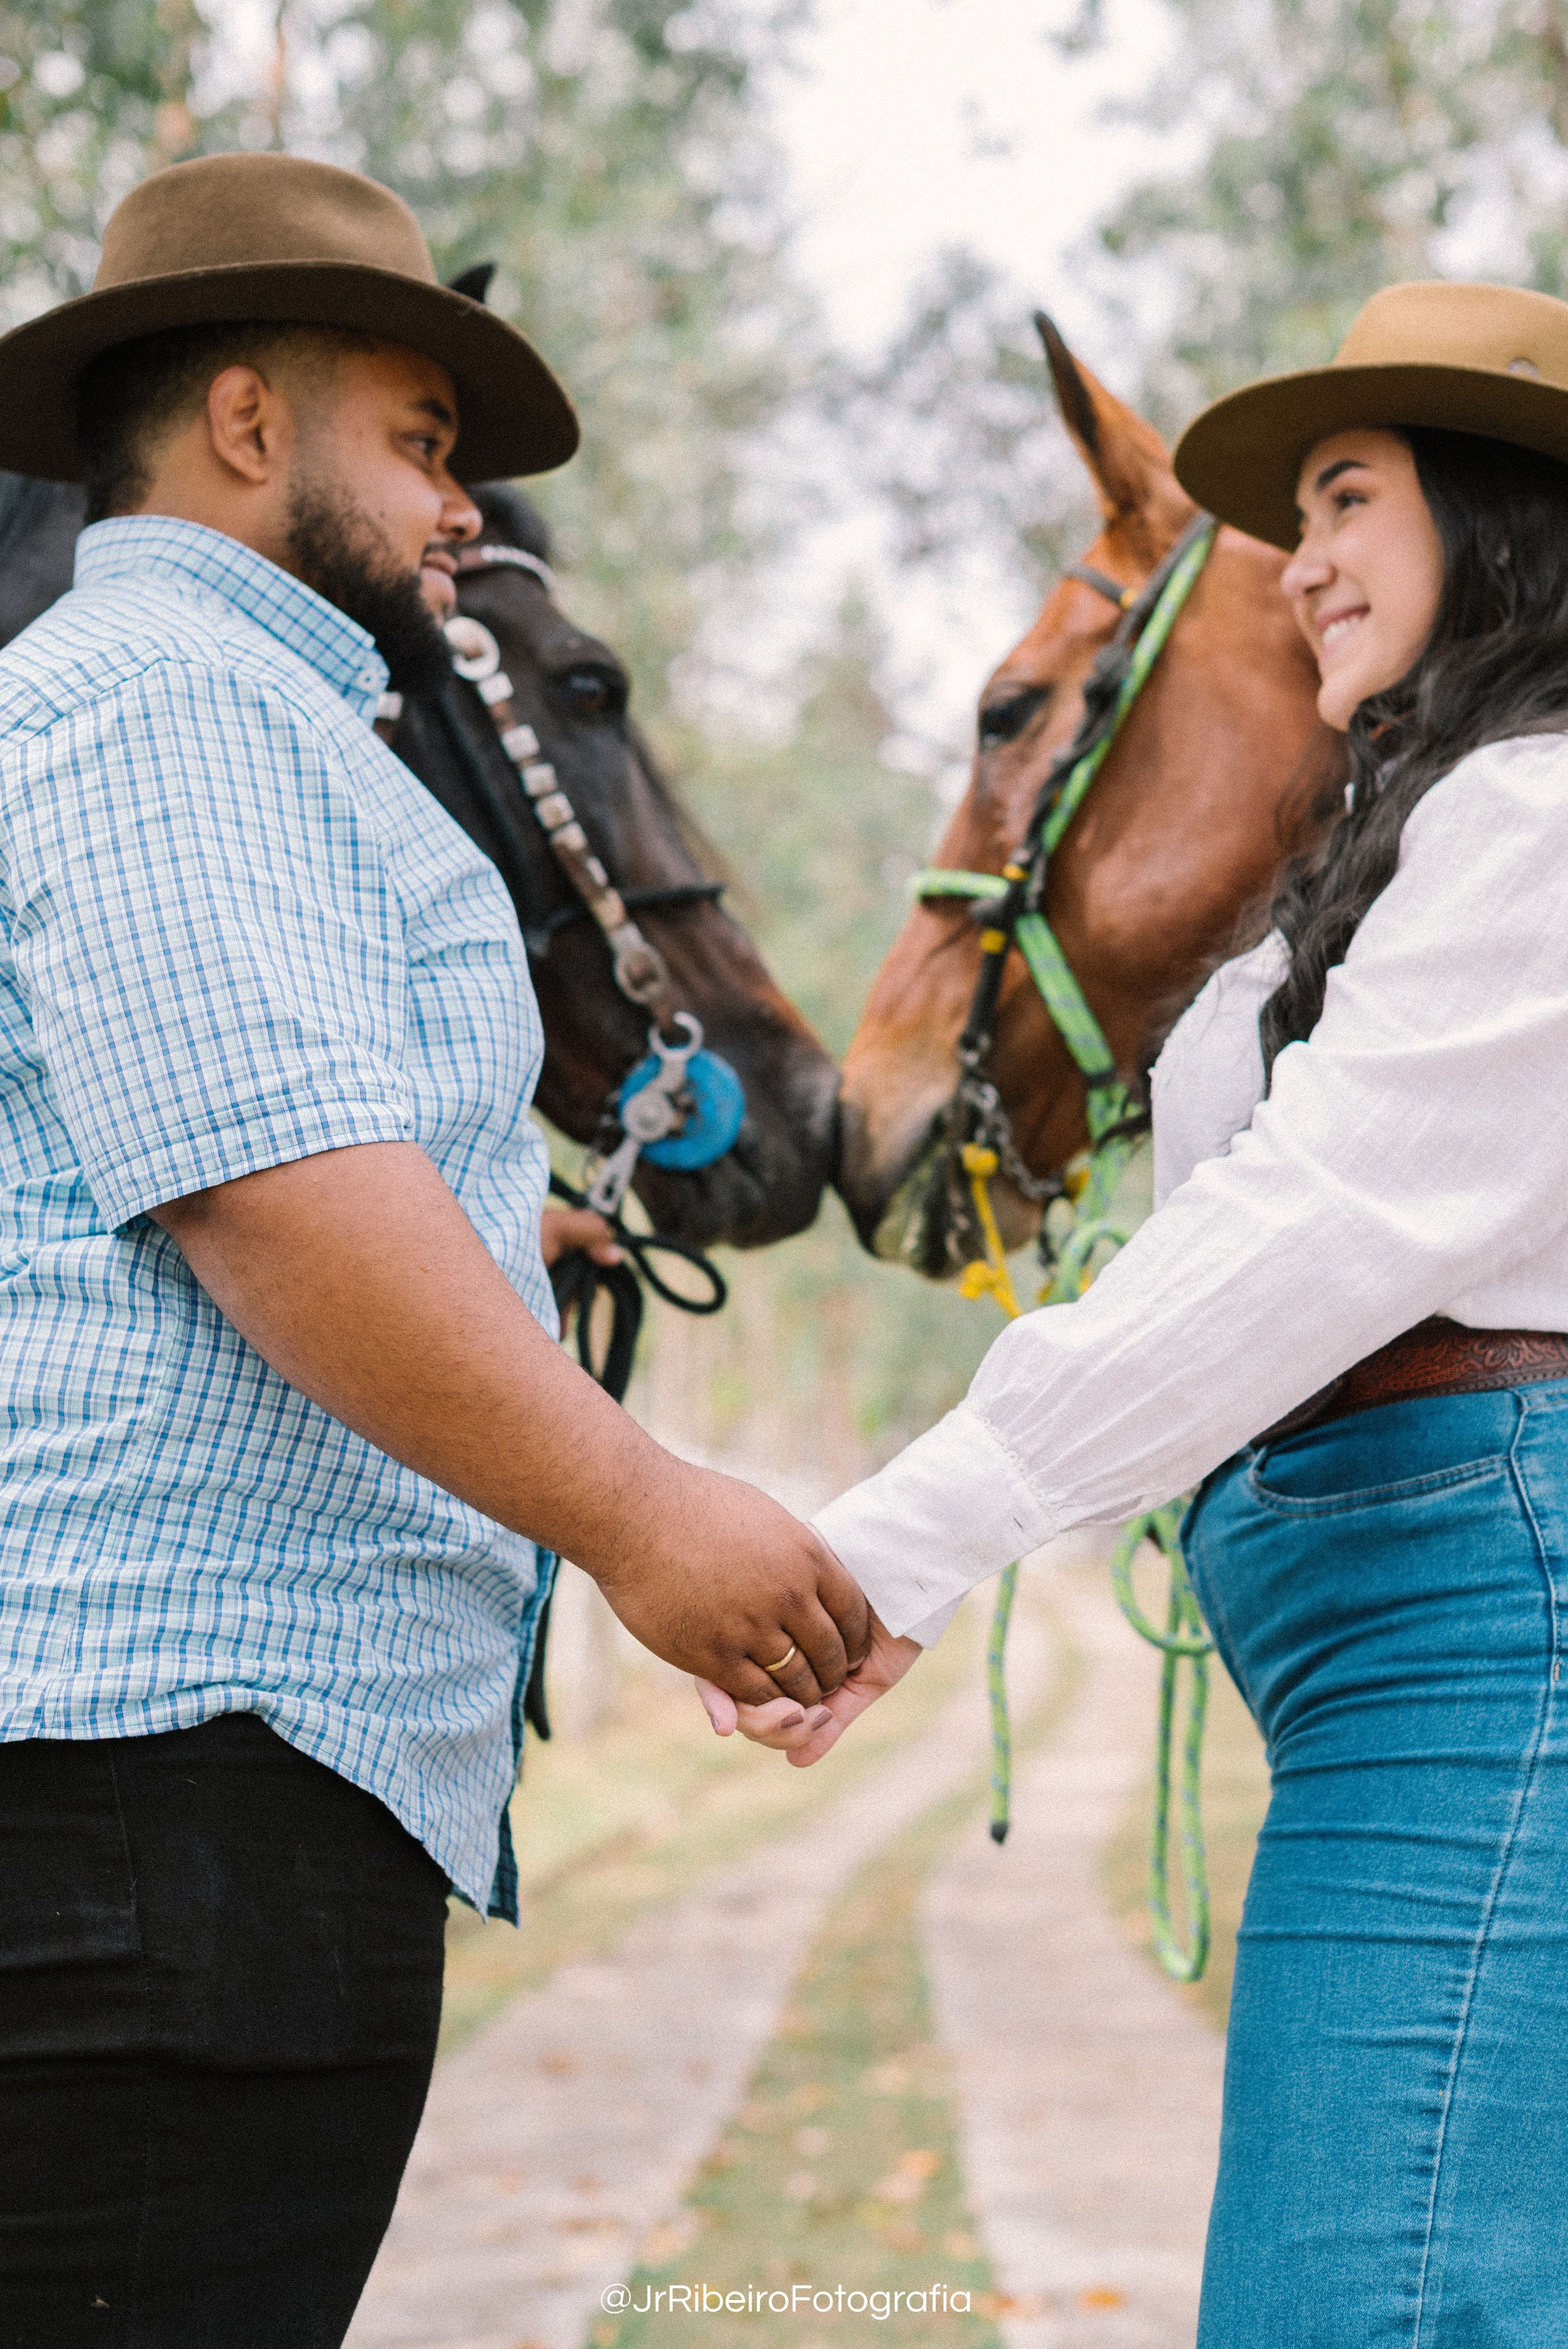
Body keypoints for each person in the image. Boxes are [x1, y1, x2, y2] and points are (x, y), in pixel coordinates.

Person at [0, 150, 868, 2347]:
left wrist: (499, 1214)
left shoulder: (206, 710)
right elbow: (273, 1189)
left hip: (175, 1796)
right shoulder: (176, 701)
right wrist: (641, 1513)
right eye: (419, 441)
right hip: (176, 1786)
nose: (458, 508)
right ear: (247, 423)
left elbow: (184, 1153)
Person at [712, 280, 1568, 2342]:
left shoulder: (1536, 814)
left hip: (1481, 1631)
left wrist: (903, 1539)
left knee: (1368, 2305)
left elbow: (1317, 1213)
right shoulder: (1432, 822)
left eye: (1347, 501)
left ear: (1500, 516)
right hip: (1420, 1643)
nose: (1300, 564)